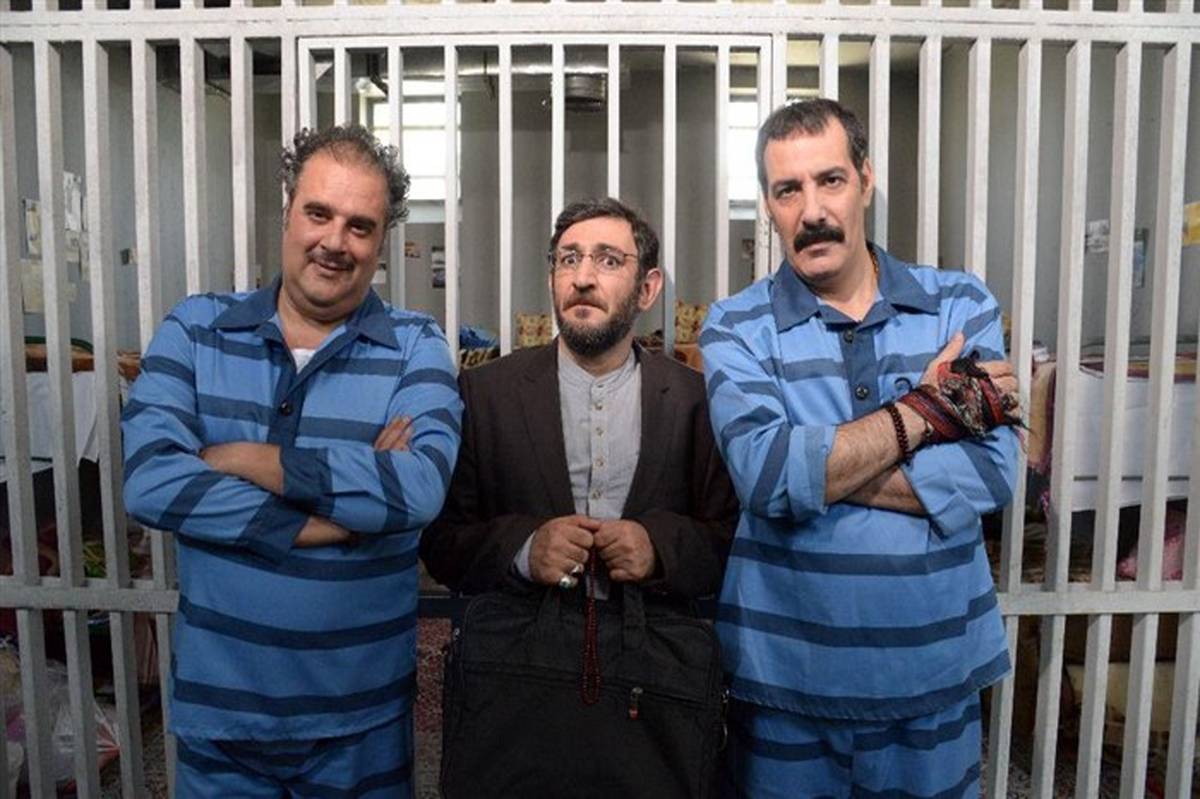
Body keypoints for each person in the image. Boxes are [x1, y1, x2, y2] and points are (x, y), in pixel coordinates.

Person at [121, 124, 462, 798]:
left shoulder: (416, 344)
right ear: (288, 213)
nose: (335, 241)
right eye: (319, 213)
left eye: (360, 226)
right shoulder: (196, 328)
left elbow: (419, 487)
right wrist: (335, 521)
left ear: (381, 242)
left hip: (361, 719)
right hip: (222, 714)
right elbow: (152, 481)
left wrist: (248, 458)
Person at [700, 98, 1021, 797]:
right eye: (788, 190)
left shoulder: (958, 304)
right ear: (768, 205)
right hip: (787, 682)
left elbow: (995, 471)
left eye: (831, 180)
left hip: (936, 670)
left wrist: (819, 468)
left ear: (866, 180)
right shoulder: (735, 325)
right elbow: (765, 475)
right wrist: (926, 411)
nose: (812, 210)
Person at [421, 195, 736, 606]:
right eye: (568, 260)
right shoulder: (484, 395)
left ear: (647, 289)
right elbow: (441, 542)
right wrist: (524, 551)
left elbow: (728, 539)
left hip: (654, 642)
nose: (582, 278)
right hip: (517, 641)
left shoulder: (695, 401)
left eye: (608, 261)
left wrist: (659, 549)